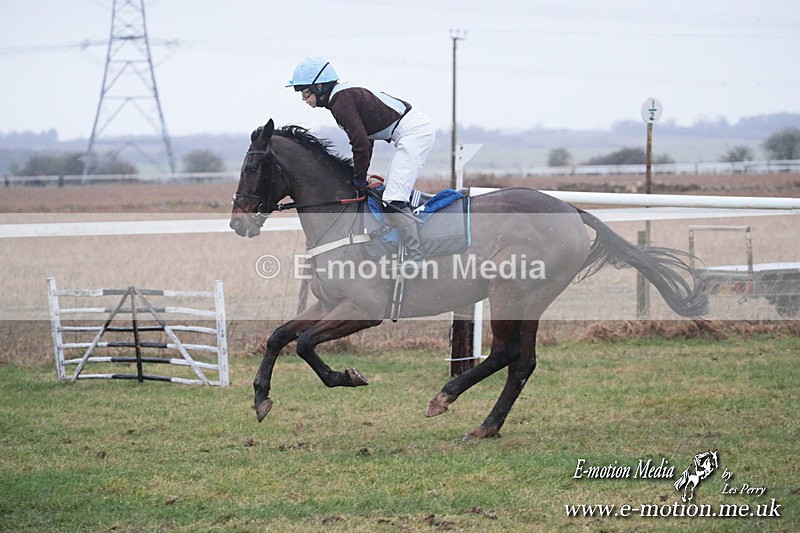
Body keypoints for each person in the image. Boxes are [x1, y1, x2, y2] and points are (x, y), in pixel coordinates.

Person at [287, 57, 435, 263]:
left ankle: (417, 256)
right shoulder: (340, 99)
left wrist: (358, 179)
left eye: (305, 92)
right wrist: (359, 175)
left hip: (414, 132)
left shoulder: (341, 102)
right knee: (391, 194)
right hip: (408, 131)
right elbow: (367, 139)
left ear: (319, 86)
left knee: (394, 198)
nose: (303, 98)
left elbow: (361, 145)